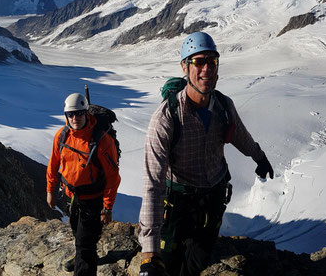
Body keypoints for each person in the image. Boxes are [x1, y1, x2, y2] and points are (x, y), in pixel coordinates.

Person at [138, 32, 275, 276]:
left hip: (211, 201)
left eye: (211, 62)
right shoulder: (167, 116)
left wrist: (259, 157)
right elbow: (153, 184)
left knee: (196, 263)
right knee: (168, 264)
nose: (206, 69)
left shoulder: (223, 106)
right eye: (198, 62)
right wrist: (149, 251)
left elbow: (240, 136)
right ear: (184, 67)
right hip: (178, 202)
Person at [46, 93, 121, 275]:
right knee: (77, 231)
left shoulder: (102, 141)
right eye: (70, 115)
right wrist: (51, 190)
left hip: (93, 200)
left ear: (86, 113)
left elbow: (113, 177)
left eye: (79, 113)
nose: (74, 118)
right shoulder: (62, 136)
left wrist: (107, 208)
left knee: (85, 244)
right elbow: (54, 163)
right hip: (73, 197)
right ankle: (83, 254)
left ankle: (84, 258)